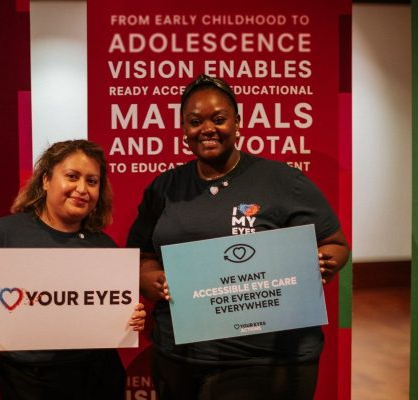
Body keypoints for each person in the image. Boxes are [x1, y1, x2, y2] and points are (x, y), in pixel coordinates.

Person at [126, 74, 350, 400]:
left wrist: (321, 264)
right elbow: (141, 255)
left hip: (265, 361)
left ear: (237, 123)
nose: (207, 129)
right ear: (184, 129)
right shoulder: (164, 188)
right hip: (179, 358)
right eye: (195, 121)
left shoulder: (283, 181)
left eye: (219, 119)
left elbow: (336, 244)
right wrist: (152, 279)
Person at [0, 139, 146, 400]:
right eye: (72, 176)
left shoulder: (104, 247)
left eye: (92, 181)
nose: (82, 189)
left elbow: (117, 309)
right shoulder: (4, 234)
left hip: (97, 374)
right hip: (29, 379)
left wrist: (132, 317)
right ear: (46, 180)